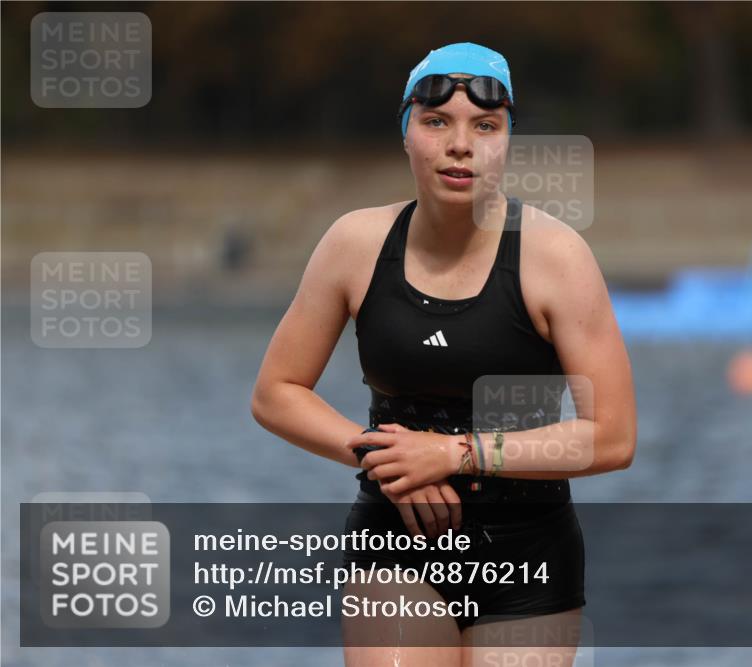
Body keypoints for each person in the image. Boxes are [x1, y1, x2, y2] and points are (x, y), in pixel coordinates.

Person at [251, 42, 636, 667]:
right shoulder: (355, 244)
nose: (462, 145)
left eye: (486, 126)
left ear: (508, 141)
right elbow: (275, 392)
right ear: (407, 135)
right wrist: (384, 459)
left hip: (527, 552)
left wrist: (451, 454)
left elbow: (614, 437)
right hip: (393, 543)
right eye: (437, 123)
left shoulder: (557, 258)